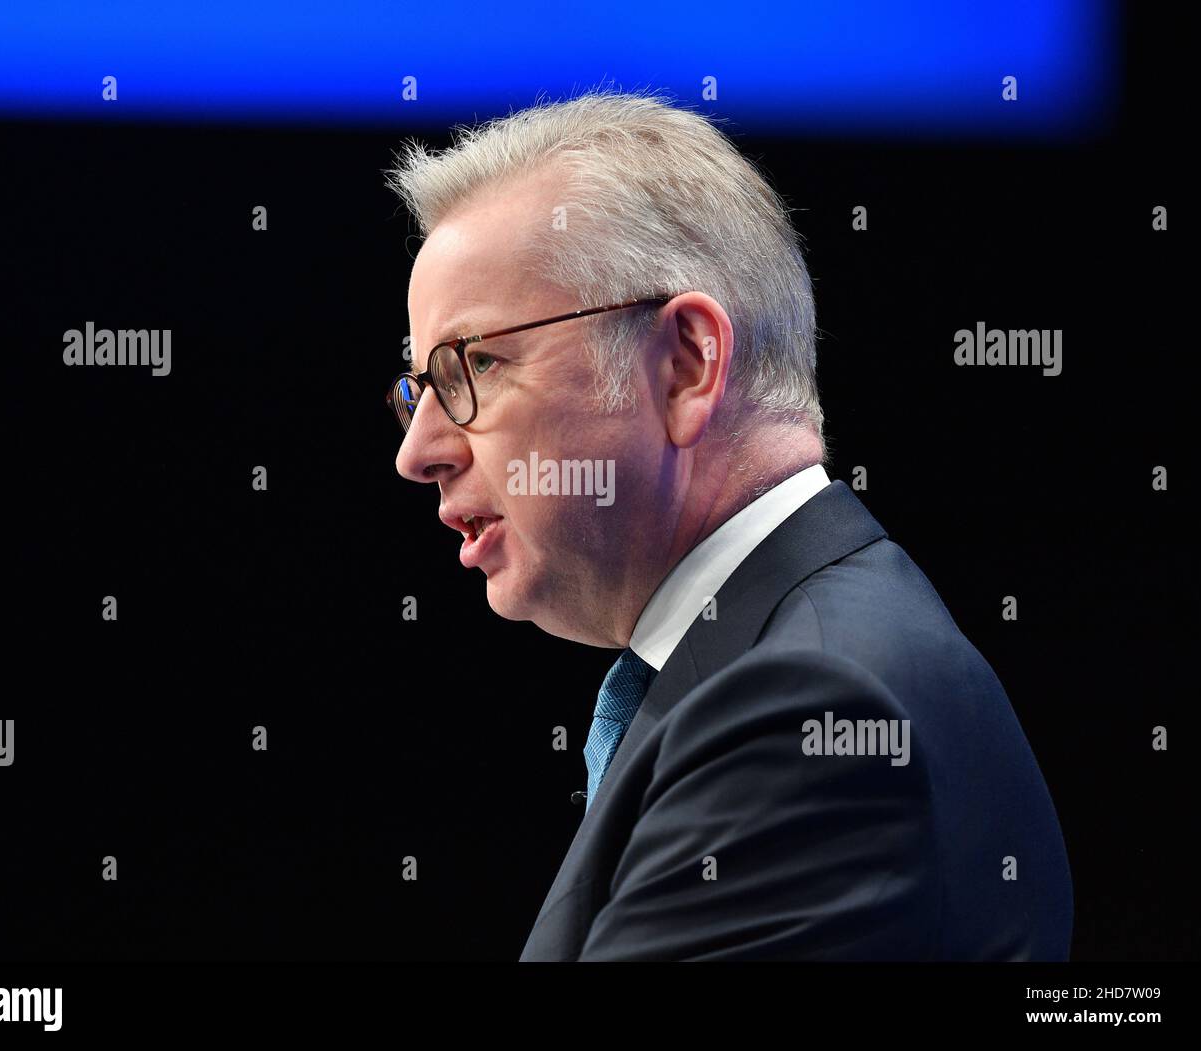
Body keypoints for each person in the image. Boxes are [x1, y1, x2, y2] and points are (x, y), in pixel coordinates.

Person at [382, 89, 1072, 961]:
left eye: (475, 363)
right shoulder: (787, 661)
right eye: (418, 388)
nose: (420, 448)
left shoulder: (808, 717)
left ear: (686, 365)